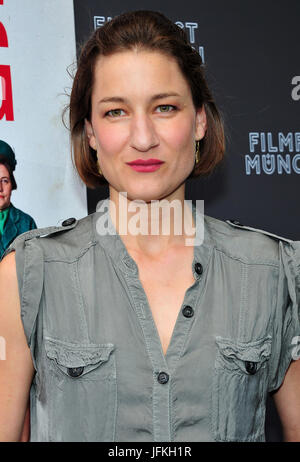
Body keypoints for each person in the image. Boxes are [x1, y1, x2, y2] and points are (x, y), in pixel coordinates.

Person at [0, 10, 299, 442]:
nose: (143, 137)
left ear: (199, 121)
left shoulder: (274, 272)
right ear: (91, 133)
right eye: (116, 111)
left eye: (164, 107)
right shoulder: (26, 276)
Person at [0, 140, 37, 259]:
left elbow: (35, 266)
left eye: (5, 181)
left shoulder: (27, 223)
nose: (0, 188)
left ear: (12, 184)